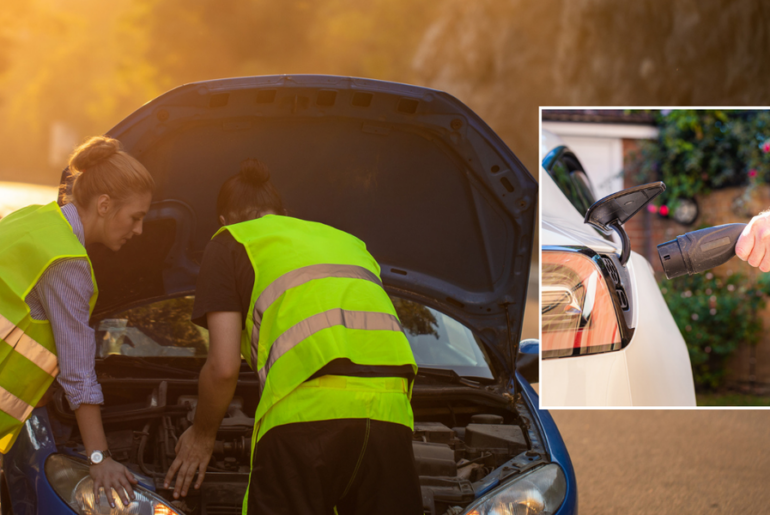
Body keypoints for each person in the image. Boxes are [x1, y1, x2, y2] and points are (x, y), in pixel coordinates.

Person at [163, 159, 423, 514]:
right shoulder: (350, 243)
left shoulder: (230, 241)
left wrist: (202, 436)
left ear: (224, 221)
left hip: (306, 417)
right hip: (391, 417)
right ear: (284, 213)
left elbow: (223, 367)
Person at [0, 136, 154, 508]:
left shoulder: (33, 219)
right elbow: (78, 371)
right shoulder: (66, 262)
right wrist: (99, 458)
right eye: (136, 217)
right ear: (104, 205)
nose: (139, 231)